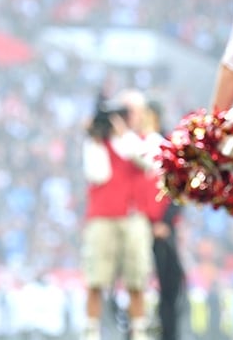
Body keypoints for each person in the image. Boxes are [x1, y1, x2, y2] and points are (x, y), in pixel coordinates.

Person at [81, 89, 156, 340]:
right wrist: (95, 136)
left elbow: (147, 162)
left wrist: (125, 136)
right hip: (102, 217)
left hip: (133, 217)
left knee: (136, 279)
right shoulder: (97, 143)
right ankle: (91, 332)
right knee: (96, 279)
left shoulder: (145, 140)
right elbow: (97, 174)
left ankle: (139, 332)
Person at [142, 100, 184, 340]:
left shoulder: (168, 147)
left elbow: (178, 189)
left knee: (169, 288)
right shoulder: (133, 146)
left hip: (163, 230)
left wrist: (165, 223)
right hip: (139, 226)